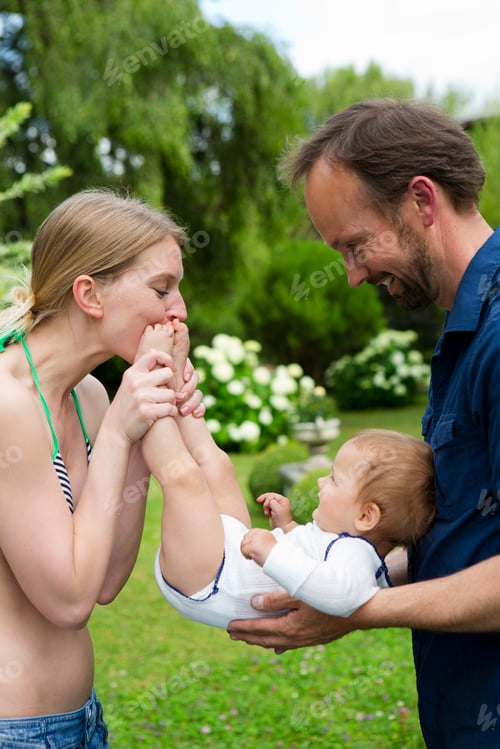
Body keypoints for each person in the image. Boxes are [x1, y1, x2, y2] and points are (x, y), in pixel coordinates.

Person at [227, 98, 500, 748]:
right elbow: (466, 535)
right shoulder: (465, 329)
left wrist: (356, 608)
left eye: (355, 244)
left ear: (422, 202)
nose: (351, 276)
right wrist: (334, 566)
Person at [0, 188, 203, 747]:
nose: (179, 310)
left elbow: (106, 581)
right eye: (162, 288)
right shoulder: (7, 404)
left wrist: (141, 428)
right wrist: (119, 430)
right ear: (89, 294)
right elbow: (68, 601)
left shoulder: (89, 395)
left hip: (81, 721)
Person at [140, 321, 435, 629]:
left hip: (209, 581)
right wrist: (287, 526)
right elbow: (315, 559)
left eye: (334, 479)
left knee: (184, 477)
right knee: (218, 464)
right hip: (227, 555)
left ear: (366, 516)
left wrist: (272, 553)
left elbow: (343, 595)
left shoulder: (357, 555)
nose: (322, 481)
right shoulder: (344, 542)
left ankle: (149, 379)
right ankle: (175, 381)